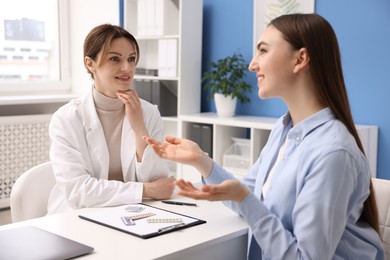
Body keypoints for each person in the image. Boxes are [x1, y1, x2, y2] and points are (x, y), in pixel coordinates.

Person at [144, 14, 385, 259]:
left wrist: (244, 197)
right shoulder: (284, 129)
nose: (252, 64)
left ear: (300, 59)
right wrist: (201, 161)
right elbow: (249, 196)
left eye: (263, 51)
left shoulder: (332, 153)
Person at [47, 24, 174, 214]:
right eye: (115, 59)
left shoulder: (148, 113)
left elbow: (159, 181)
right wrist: (145, 190)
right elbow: (79, 191)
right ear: (90, 64)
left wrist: (139, 127)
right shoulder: (66, 119)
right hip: (78, 216)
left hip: (131, 214)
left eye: (131, 59)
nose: (127, 68)